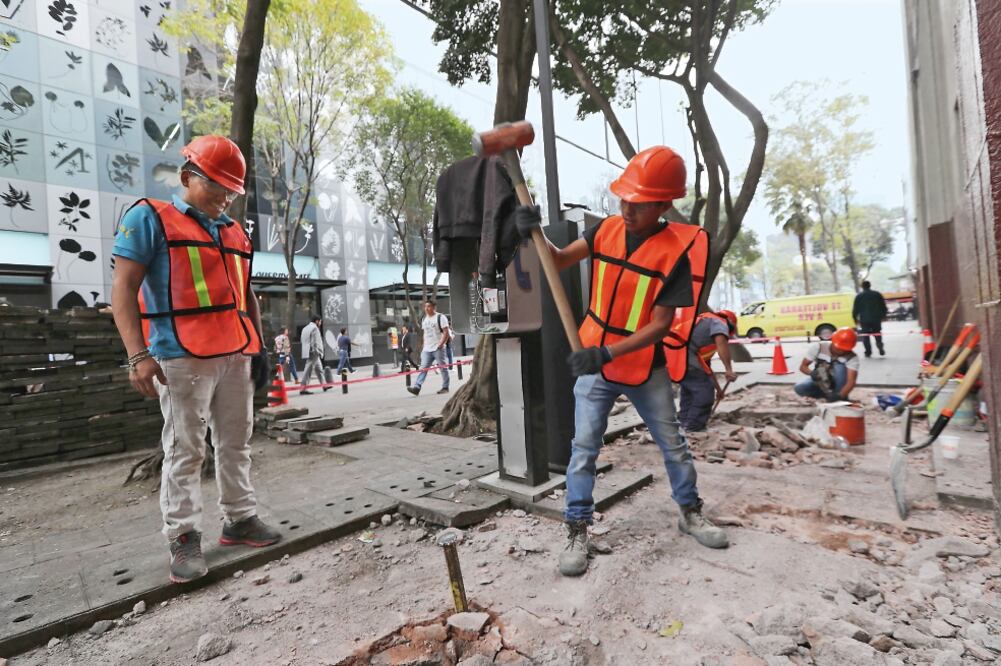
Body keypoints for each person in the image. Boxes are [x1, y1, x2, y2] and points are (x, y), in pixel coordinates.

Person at [515, 145, 728, 577]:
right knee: (583, 450)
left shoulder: (675, 254)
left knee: (673, 443)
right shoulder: (607, 230)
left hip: (641, 367)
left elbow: (661, 325)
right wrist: (532, 233)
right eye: (624, 198)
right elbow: (557, 261)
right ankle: (577, 529)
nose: (627, 209)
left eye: (640, 203)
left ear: (665, 204)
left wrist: (607, 352)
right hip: (594, 363)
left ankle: (690, 512)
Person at [110, 135, 281, 584]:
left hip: (234, 352)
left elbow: (247, 294)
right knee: (185, 447)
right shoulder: (149, 218)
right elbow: (123, 289)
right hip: (180, 354)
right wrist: (137, 355)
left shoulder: (233, 231)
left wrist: (258, 346)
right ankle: (183, 536)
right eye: (215, 187)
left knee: (235, 441)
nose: (223, 198)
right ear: (187, 176)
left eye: (231, 191)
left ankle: (240, 519)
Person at [678, 310, 738, 432]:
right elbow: (722, 345)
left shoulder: (703, 322)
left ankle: (683, 424)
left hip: (676, 358)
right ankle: (693, 427)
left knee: (689, 392)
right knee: (704, 394)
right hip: (685, 357)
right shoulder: (719, 322)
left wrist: (718, 389)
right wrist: (729, 369)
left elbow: (707, 370)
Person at [794, 327, 859, 401]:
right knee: (800, 387)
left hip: (839, 384)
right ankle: (825, 395)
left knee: (839, 367)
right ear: (833, 341)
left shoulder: (852, 357)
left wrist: (840, 395)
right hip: (821, 380)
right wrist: (812, 373)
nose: (842, 351)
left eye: (845, 349)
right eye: (839, 348)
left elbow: (851, 381)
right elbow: (803, 367)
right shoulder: (819, 347)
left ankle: (839, 397)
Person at [407, 301, 450, 395]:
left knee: (443, 368)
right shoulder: (424, 319)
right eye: (425, 307)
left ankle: (445, 387)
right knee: (423, 368)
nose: (426, 308)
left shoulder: (440, 317)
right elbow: (425, 333)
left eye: (429, 306)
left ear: (434, 307)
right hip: (427, 348)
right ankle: (417, 388)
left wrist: (441, 344)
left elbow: (446, 332)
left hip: (438, 347)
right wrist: (424, 345)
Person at [853, 280, 887, 357]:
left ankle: (868, 352)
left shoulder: (859, 296)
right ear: (870, 285)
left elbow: (855, 309)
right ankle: (880, 346)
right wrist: (883, 316)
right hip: (876, 319)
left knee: (866, 336)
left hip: (864, 320)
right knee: (877, 333)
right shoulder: (877, 294)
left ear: (862, 286)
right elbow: (883, 306)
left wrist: (855, 319)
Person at [299, 314, 328, 395]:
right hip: (314, 352)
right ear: (317, 321)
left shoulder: (305, 328)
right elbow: (315, 341)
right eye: (320, 321)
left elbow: (302, 339)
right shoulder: (315, 328)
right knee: (308, 369)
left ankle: (324, 385)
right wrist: (317, 351)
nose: (321, 323)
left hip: (307, 350)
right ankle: (303, 388)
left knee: (319, 369)